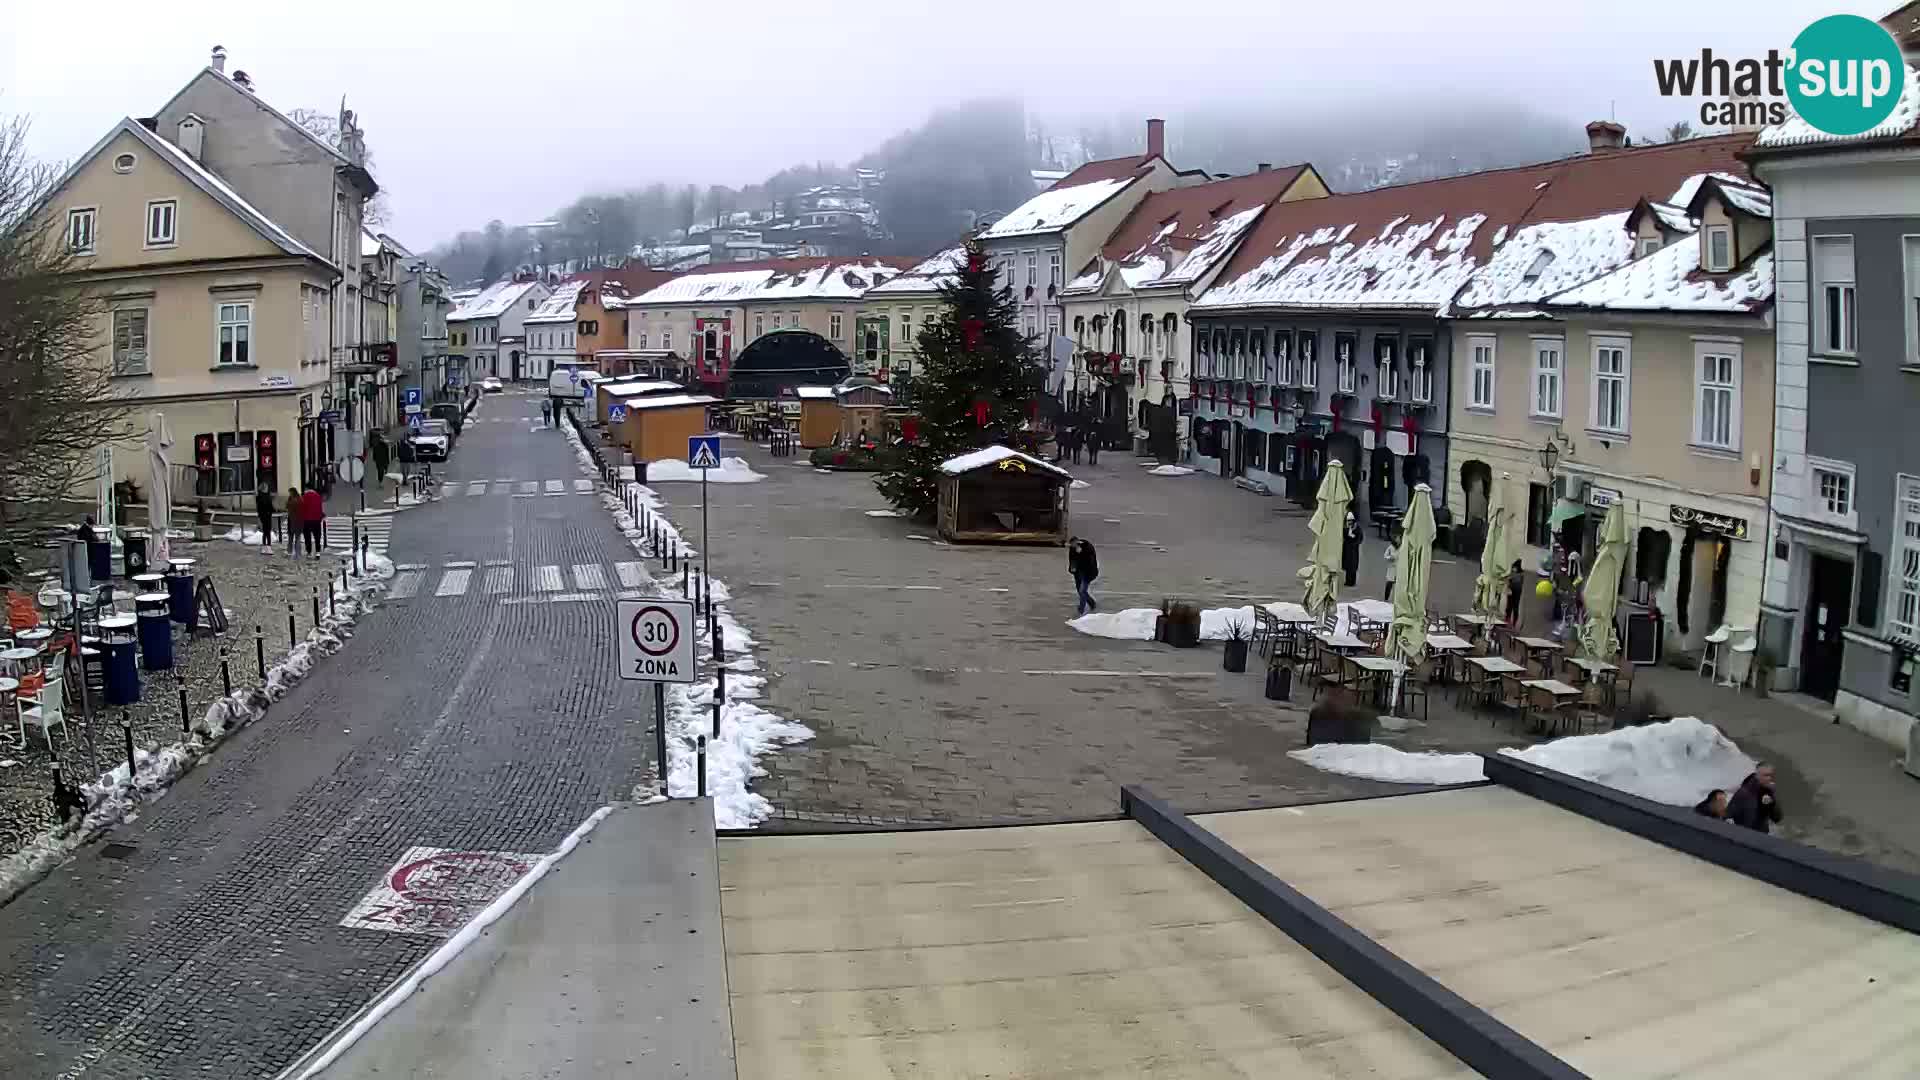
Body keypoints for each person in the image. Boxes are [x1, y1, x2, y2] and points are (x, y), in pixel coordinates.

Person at [1726, 763, 1782, 834]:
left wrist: (1772, 804)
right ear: (1757, 776)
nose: (1769, 778)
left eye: (1771, 775)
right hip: (1744, 835)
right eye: (1765, 775)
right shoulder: (1743, 793)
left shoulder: (1770, 791)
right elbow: (1727, 815)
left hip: (1761, 835)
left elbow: (1777, 818)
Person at [1067, 536, 1099, 616]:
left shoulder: (1088, 547)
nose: (1072, 547)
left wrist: (1082, 553)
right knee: (1080, 591)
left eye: (1074, 545)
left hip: (1088, 572)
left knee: (1082, 591)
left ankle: (1081, 610)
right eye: (1071, 545)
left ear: (1078, 542)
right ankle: (1092, 603)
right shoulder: (1072, 548)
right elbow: (1072, 560)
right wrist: (1072, 568)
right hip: (1078, 573)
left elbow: (1090, 562)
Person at [299, 484, 324, 558]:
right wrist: (320, 516)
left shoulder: (304, 497)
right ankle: (318, 552)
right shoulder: (318, 496)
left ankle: (309, 552)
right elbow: (320, 508)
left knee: (307, 537)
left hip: (306, 520)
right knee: (317, 536)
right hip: (316, 520)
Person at [1341, 511, 1362, 588]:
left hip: (1353, 549)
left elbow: (1360, 538)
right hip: (1347, 548)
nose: (1349, 522)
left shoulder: (1357, 528)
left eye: (1350, 521)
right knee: (1347, 566)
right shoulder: (1345, 528)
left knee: (1353, 566)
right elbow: (1344, 536)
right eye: (1348, 521)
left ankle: (1353, 581)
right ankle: (1347, 581)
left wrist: (1355, 541)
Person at [254, 482, 277, 552]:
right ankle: (268, 547)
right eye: (266, 487)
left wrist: (260, 516)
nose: (268, 488)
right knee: (268, 531)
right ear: (264, 488)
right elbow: (270, 506)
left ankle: (264, 546)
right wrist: (274, 510)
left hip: (262, 516)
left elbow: (259, 508)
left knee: (265, 531)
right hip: (267, 515)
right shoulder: (267, 497)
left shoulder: (259, 497)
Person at [284, 488, 304, 560]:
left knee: (292, 537)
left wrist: (288, 502)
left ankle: (291, 551)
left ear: (292, 492)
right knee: (296, 537)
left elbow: (287, 506)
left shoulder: (294, 500)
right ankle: (297, 553)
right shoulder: (300, 499)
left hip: (294, 520)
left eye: (290, 493)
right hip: (298, 521)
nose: (289, 494)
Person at [1505, 559, 1525, 628]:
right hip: (1512, 590)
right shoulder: (1514, 571)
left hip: (1516, 591)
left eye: (1515, 567)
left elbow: (1520, 582)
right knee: (1509, 605)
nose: (1514, 568)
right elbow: (1508, 580)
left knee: (1515, 607)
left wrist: (1512, 577)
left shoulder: (1521, 573)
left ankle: (1514, 622)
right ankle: (1507, 619)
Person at [1383, 528, 1399, 603]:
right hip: (1392, 568)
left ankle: (1396, 600)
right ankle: (1386, 598)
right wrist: (1390, 558)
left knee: (1398, 585)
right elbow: (1385, 556)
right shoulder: (1390, 547)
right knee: (1389, 584)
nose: (1399, 540)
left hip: (1399, 569)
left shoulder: (1402, 548)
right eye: (1398, 538)